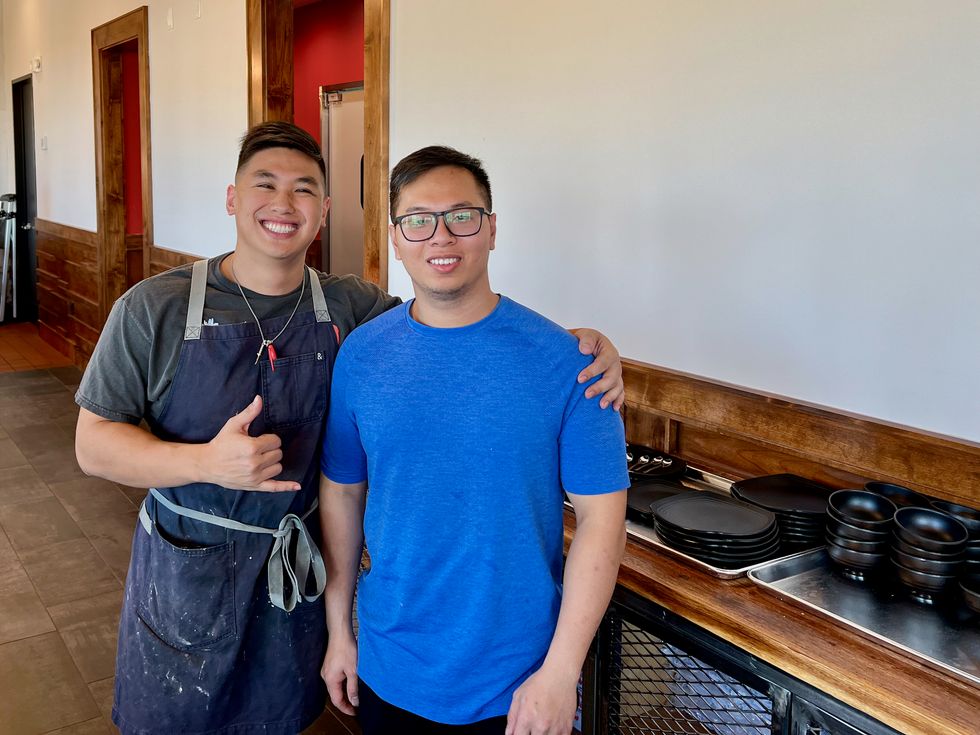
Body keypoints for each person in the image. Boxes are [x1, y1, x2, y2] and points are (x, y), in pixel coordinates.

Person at [73, 123, 625, 734]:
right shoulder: (155, 308)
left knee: (283, 721)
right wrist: (203, 463)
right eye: (265, 184)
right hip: (190, 575)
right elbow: (92, 445)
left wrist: (588, 346)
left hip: (298, 581)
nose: (284, 205)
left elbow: (450, 323)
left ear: (325, 210)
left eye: (304, 189)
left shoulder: (353, 313)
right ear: (232, 197)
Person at [319, 146, 629, 735]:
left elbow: (602, 521)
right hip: (390, 665)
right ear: (395, 237)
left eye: (463, 216)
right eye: (419, 220)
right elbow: (341, 493)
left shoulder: (570, 363)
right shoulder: (361, 354)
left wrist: (562, 674)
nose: (442, 236)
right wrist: (340, 630)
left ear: (491, 230)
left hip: (521, 685)